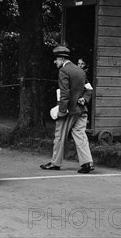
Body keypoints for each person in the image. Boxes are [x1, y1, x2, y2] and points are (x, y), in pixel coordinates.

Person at [41, 45, 94, 174]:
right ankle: (87, 163)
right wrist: (85, 99)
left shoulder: (64, 71)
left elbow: (64, 93)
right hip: (82, 110)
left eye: (56, 60)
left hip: (69, 110)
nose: (55, 62)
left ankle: (55, 163)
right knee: (80, 135)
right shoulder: (80, 71)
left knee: (59, 136)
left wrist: (62, 111)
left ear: (61, 59)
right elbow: (89, 89)